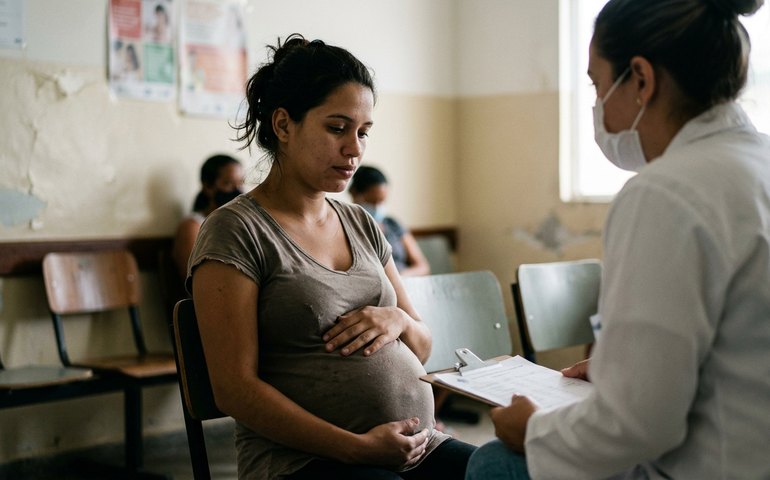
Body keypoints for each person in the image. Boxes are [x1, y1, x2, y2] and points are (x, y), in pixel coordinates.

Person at [466, 0, 770, 479]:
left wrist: (534, 429)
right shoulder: (756, 164)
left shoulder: (667, 191)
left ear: (642, 79)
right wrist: (626, 365)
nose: (597, 101)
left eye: (597, 83)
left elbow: (638, 427)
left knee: (493, 462)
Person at [187, 34, 476, 479]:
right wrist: (358, 449)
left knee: (510, 470)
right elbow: (234, 390)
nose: (355, 149)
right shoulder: (235, 230)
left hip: (418, 447)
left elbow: (421, 343)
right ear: (283, 125)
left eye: (363, 132)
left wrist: (397, 320)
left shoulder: (361, 223)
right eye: (337, 128)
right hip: (304, 462)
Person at [349, 166, 431, 276]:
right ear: (354, 194)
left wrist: (399, 279)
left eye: (382, 201)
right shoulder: (346, 228)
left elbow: (422, 266)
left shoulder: (392, 225)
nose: (378, 207)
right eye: (372, 201)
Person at [172, 154, 243, 278]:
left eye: (240, 183)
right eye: (228, 183)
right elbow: (193, 277)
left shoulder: (240, 223)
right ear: (208, 186)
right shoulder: (193, 226)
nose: (238, 190)